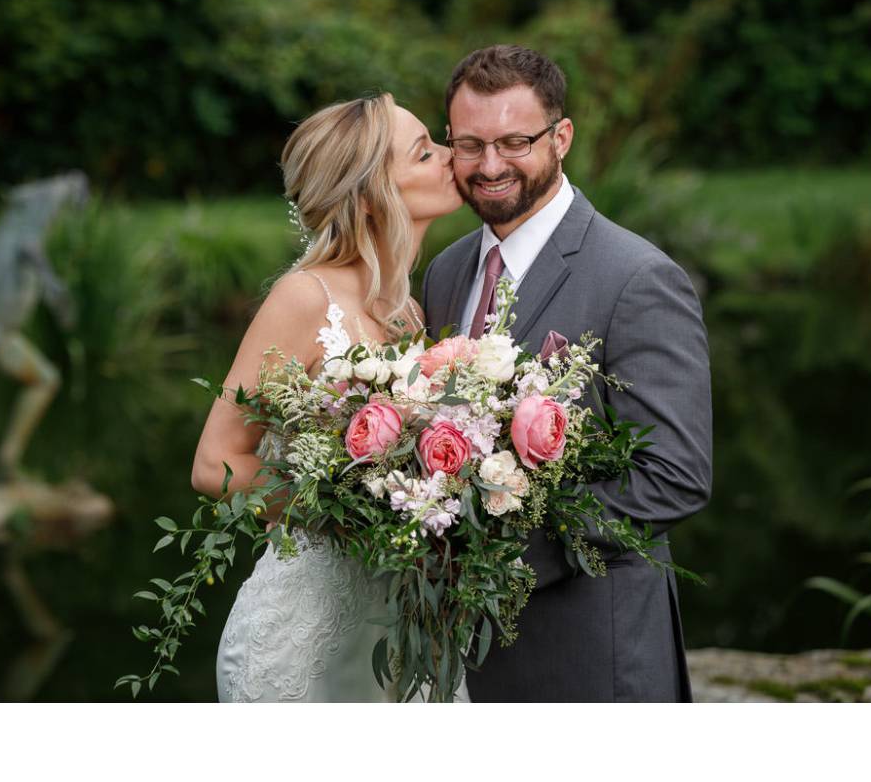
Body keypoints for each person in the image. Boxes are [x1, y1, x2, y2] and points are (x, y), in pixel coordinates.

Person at [421, 45, 712, 702]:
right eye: (469, 145)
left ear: (562, 138)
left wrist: (507, 555)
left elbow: (674, 477)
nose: (490, 165)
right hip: (466, 656)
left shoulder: (637, 280)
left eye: (514, 142)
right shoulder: (445, 272)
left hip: (593, 655)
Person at [191, 91, 464, 702]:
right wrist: (348, 516)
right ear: (372, 196)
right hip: (304, 641)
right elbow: (214, 463)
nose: (451, 156)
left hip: (397, 632)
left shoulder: (409, 314)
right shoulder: (304, 298)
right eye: (425, 153)